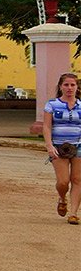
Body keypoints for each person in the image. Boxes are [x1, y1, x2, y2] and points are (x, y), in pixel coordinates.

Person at [43, 72, 81, 225]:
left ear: (77, 87)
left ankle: (73, 213)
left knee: (77, 179)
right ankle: (62, 197)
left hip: (78, 146)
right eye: (66, 85)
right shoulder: (52, 105)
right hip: (59, 147)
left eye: (72, 85)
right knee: (63, 181)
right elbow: (46, 126)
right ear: (60, 87)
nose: (69, 88)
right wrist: (49, 145)